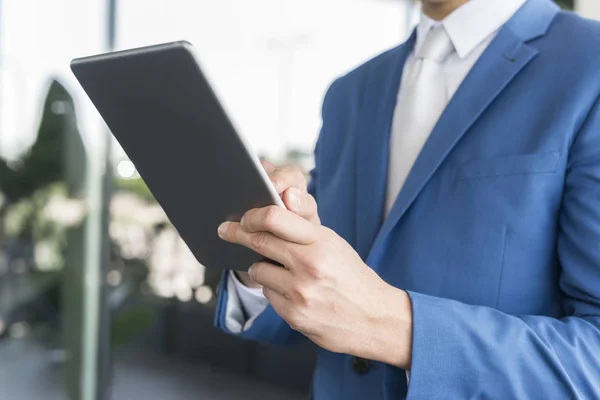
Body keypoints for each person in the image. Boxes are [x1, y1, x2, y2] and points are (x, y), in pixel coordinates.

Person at [214, 0, 600, 398]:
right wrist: (265, 248)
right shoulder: (350, 93)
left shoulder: (590, 65)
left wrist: (392, 327)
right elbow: (319, 303)